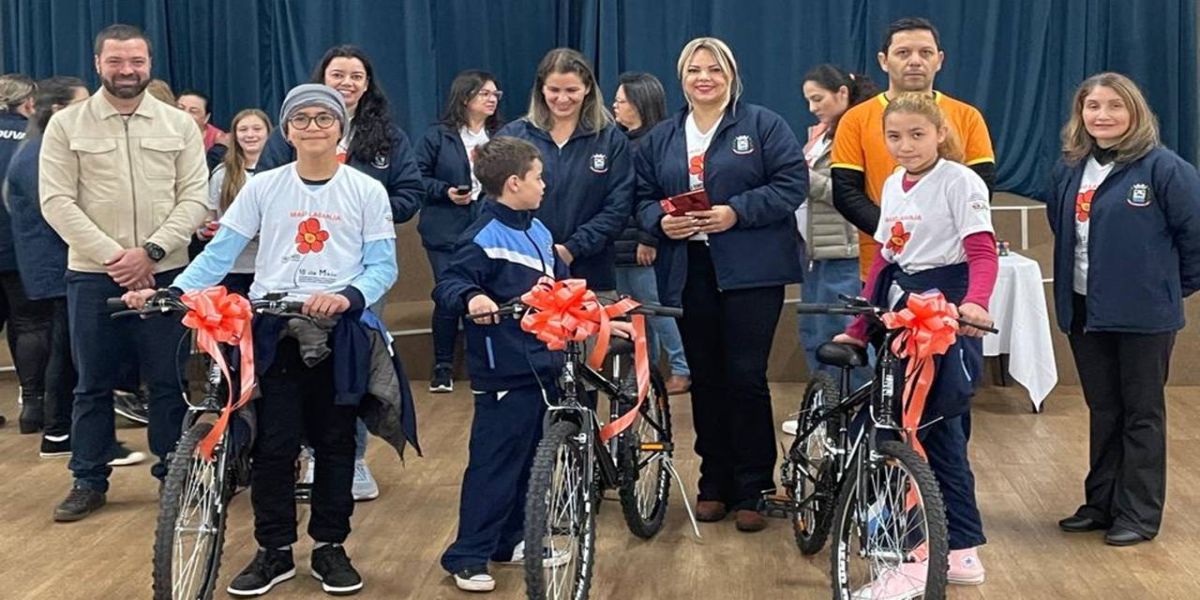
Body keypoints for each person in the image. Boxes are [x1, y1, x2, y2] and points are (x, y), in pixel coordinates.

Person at [125, 84, 403, 597]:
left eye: (325, 118)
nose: (314, 127)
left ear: (341, 128)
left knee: (335, 443)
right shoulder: (264, 186)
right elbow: (222, 252)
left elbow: (383, 265)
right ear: (287, 130)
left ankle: (329, 547)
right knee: (272, 447)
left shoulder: (366, 191)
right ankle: (273, 550)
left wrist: (347, 297)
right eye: (303, 119)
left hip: (338, 331)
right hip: (273, 329)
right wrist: (174, 291)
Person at [635, 37, 808, 532]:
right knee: (706, 379)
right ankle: (714, 482)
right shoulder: (662, 137)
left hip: (752, 271)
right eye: (694, 70)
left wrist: (736, 212)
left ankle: (755, 485)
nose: (704, 77)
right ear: (681, 78)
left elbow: (789, 184)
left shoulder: (762, 125)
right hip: (689, 269)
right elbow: (642, 196)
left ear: (731, 76)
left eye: (714, 69)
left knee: (746, 376)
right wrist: (658, 224)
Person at [39, 24, 209, 522]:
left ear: (149, 63)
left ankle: (172, 479)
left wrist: (150, 253)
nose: (127, 71)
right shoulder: (67, 125)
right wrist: (117, 257)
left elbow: (195, 198)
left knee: (168, 382)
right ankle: (88, 479)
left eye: (136, 61)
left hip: (165, 272)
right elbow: (56, 201)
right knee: (91, 384)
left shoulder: (177, 125)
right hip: (94, 276)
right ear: (98, 64)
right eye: (116, 62)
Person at [835, 93, 996, 593]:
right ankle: (908, 523)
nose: (905, 145)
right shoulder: (892, 184)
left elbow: (982, 252)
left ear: (941, 134)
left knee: (935, 426)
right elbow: (886, 259)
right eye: (894, 136)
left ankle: (949, 549)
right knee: (893, 419)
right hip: (903, 310)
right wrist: (860, 327)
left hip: (945, 312)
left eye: (917, 135)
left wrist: (976, 304)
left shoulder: (960, 181)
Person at [259, 44, 425, 500]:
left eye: (356, 75)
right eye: (338, 74)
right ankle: (309, 454)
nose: (347, 82)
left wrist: (361, 211)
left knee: (350, 367)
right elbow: (264, 191)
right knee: (297, 365)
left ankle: (351, 460)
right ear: (322, 78)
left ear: (367, 84)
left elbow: (410, 192)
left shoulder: (388, 137)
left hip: (360, 270)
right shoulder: (289, 133)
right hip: (293, 269)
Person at [1043, 73, 1200, 547]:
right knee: (1104, 409)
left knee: (1141, 414)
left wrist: (1163, 288)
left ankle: (1138, 513)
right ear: (1081, 114)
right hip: (1086, 311)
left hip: (1144, 315)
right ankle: (1101, 503)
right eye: (1093, 106)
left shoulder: (1164, 169)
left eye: (1115, 106)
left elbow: (1194, 239)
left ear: (1135, 112)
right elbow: (1059, 222)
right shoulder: (1070, 169)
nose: (1103, 115)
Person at [435, 136, 568, 592]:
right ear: (514, 183)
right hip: (504, 371)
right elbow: (450, 283)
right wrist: (473, 297)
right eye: (538, 177)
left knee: (530, 459)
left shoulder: (540, 231)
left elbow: (561, 291)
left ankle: (510, 541)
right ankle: (467, 554)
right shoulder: (481, 235)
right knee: (494, 463)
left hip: (544, 366)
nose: (545, 185)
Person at [831, 17, 996, 281]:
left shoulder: (967, 116)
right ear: (884, 61)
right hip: (882, 266)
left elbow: (982, 187)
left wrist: (933, 238)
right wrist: (897, 233)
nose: (915, 61)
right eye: (903, 53)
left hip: (950, 265)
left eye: (925, 52)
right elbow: (846, 193)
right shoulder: (855, 119)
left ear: (939, 60)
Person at [782, 65, 879, 435]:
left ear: (842, 94)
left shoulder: (859, 132)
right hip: (814, 251)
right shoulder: (822, 135)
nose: (812, 107)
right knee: (813, 333)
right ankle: (826, 411)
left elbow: (852, 193)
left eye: (818, 98)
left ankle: (865, 417)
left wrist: (802, 176)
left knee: (845, 334)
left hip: (844, 251)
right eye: (808, 99)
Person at [497, 48, 633, 293]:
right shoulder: (513, 137)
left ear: (588, 88)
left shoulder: (610, 139)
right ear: (541, 88)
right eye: (554, 90)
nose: (562, 99)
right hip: (525, 276)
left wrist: (572, 249)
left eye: (571, 90)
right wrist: (532, 249)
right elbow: (496, 202)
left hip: (592, 277)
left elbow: (618, 207)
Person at [3, 76, 89, 457]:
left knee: (61, 343)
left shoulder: (36, 147)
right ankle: (57, 429)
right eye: (81, 103)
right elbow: (56, 211)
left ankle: (58, 429)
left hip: (44, 261)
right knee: (62, 345)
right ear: (57, 109)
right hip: (56, 263)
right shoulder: (38, 151)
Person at [416, 70, 503, 393]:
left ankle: (485, 364)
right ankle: (442, 365)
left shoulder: (502, 135)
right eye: (485, 94)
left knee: (486, 296)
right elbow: (417, 178)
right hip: (445, 230)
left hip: (488, 229)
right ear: (466, 98)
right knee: (451, 296)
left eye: (496, 94)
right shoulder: (437, 136)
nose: (492, 99)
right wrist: (445, 191)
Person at [611, 71, 690, 395]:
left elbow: (658, 196)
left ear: (640, 103)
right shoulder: (619, 141)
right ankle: (648, 368)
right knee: (634, 309)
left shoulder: (659, 142)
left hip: (643, 241)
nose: (614, 106)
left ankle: (682, 369)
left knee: (655, 307)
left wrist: (649, 237)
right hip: (618, 242)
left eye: (621, 101)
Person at [0, 72, 52, 434]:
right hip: (19, 248)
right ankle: (34, 405)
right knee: (30, 323)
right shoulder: (34, 140)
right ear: (29, 102)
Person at [200, 108, 271, 296]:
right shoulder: (221, 173)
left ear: (268, 133)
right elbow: (208, 217)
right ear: (234, 135)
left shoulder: (282, 173)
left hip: (269, 268)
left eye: (257, 129)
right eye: (243, 129)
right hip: (232, 268)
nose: (250, 135)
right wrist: (206, 229)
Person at [176, 88, 230, 170]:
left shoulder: (218, 139)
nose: (185, 115)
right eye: (180, 109)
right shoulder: (164, 133)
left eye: (193, 111)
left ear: (206, 117)